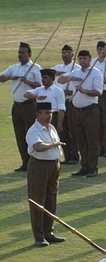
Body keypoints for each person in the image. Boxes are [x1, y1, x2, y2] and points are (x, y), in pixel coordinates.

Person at [26, 102, 65, 247]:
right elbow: (38, 147)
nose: (50, 116)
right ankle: (39, 236)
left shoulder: (51, 127)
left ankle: (49, 232)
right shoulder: (33, 131)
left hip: (54, 164)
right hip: (39, 165)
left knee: (51, 198)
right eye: (46, 113)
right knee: (38, 200)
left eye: (51, 113)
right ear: (38, 114)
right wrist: (54, 145)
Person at [59, 49, 103, 178]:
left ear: (90, 59)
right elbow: (61, 80)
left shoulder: (96, 73)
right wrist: (71, 78)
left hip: (90, 110)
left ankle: (93, 167)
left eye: (85, 58)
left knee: (92, 140)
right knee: (81, 140)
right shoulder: (76, 72)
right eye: (80, 58)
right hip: (77, 111)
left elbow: (98, 92)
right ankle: (84, 166)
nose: (82, 60)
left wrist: (83, 90)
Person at [0, 42, 42, 171]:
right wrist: (10, 77)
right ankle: (25, 162)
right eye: (19, 53)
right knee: (20, 135)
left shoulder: (35, 68)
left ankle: (34, 162)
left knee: (30, 134)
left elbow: (41, 86)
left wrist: (27, 81)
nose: (20, 55)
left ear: (29, 54)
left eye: (22, 53)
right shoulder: (14, 67)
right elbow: (1, 77)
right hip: (16, 106)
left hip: (29, 105)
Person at [52, 44, 80, 164]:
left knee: (73, 130)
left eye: (68, 52)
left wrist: (71, 91)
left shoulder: (77, 68)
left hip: (71, 101)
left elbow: (81, 84)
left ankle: (74, 156)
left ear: (72, 55)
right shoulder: (58, 67)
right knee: (62, 130)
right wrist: (55, 73)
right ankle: (67, 155)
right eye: (63, 52)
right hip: (60, 103)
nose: (65, 55)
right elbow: (45, 74)